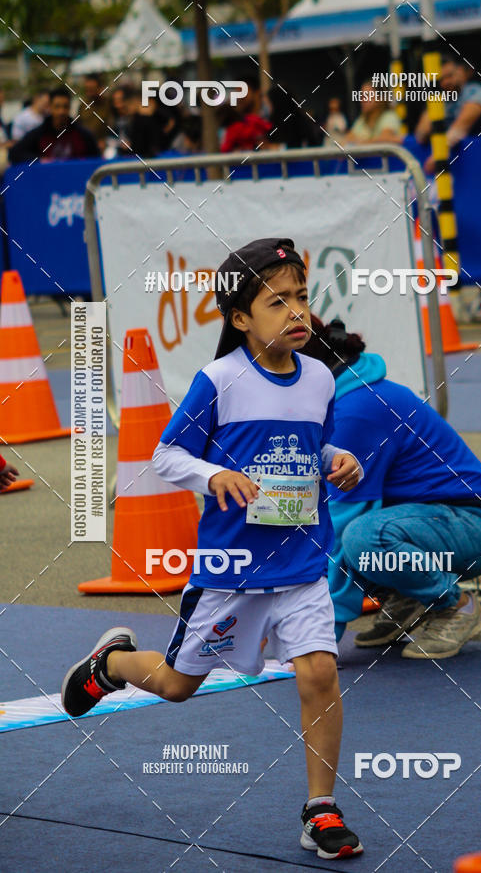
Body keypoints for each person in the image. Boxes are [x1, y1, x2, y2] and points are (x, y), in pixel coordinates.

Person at [61, 238, 364, 860]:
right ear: (240, 318)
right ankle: (110, 664)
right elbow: (166, 453)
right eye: (277, 302)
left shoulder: (320, 378)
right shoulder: (220, 380)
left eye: (302, 298)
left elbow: (317, 448)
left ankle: (320, 810)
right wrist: (213, 475)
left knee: (319, 671)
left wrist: (339, 460)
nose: (297, 313)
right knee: (177, 686)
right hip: (231, 570)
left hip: (302, 562)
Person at [301, 317, 481, 659]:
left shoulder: (356, 410)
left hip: (475, 525)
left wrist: (320, 637)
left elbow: (338, 525)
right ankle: (410, 597)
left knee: (361, 538)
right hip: (429, 521)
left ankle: (456, 606)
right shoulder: (341, 396)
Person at [415, 57, 481, 175]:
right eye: (441, 79)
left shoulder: (475, 91)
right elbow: (420, 135)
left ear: (460, 72)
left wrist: (439, 154)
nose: (446, 82)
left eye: (449, 76)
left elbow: (461, 126)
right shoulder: (437, 99)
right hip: (454, 170)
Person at [8, 86, 99, 164]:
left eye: (65, 107)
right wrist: (39, 160)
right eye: (57, 107)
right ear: (50, 107)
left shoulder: (82, 134)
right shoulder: (39, 133)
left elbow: (96, 158)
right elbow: (14, 154)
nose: (61, 112)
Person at [220, 75, 272, 153]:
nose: (238, 97)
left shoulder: (270, 118)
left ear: (257, 93)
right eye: (236, 92)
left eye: (242, 92)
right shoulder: (232, 124)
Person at [344, 80, 403, 144]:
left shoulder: (389, 116)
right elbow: (346, 140)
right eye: (361, 96)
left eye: (367, 96)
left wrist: (359, 142)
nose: (362, 100)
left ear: (380, 97)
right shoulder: (362, 120)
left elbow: (384, 140)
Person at [77, 74, 114, 152]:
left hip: (105, 148)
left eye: (92, 89)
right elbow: (78, 126)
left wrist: (105, 140)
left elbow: (114, 126)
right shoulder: (83, 105)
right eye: (87, 89)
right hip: (86, 147)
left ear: (100, 88)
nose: (89, 93)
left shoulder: (109, 104)